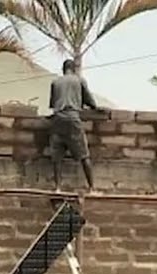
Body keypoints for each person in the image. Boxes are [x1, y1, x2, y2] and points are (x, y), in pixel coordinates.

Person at [48, 59, 98, 191]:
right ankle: (92, 188)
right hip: (72, 119)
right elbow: (89, 101)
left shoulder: (55, 82)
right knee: (84, 154)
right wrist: (95, 108)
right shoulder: (79, 80)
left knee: (57, 157)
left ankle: (58, 187)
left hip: (57, 119)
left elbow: (53, 104)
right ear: (74, 69)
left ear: (63, 69)